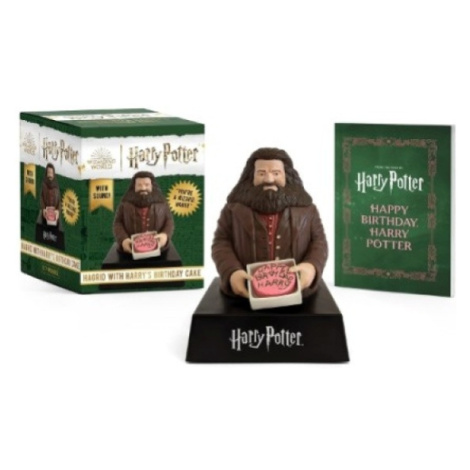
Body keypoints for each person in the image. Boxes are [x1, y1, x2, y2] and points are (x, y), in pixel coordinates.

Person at [212, 147, 327, 298]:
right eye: (261, 173)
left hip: (298, 291)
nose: (269, 179)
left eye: (276, 173)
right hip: (246, 292)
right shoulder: (232, 210)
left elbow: (319, 242)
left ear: (287, 176)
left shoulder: (308, 210)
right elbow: (221, 243)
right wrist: (232, 272)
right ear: (251, 177)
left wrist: (311, 266)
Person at [113, 171, 174, 254]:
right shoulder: (124, 205)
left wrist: (165, 235)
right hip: (131, 248)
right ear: (134, 187)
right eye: (139, 185)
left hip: (159, 248)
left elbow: (169, 221)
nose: (143, 188)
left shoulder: (162, 204)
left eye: (147, 185)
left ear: (152, 186)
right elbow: (118, 223)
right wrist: (123, 239)